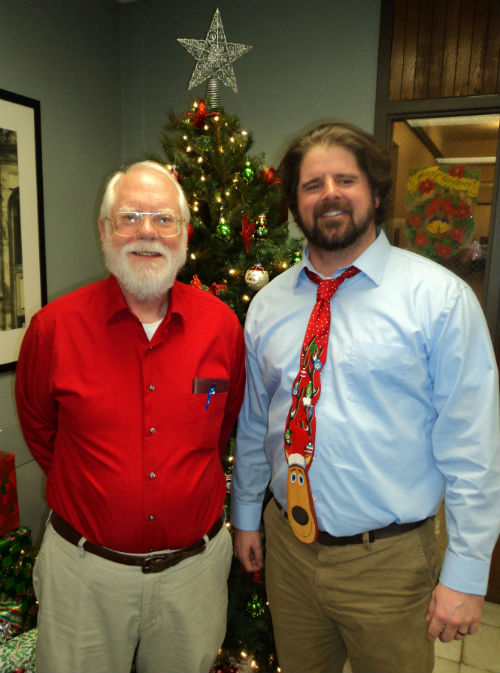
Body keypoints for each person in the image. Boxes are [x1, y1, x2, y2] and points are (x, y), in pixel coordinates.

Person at [231, 122, 500, 673]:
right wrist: (246, 517)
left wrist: (468, 572)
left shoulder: (439, 299)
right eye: (312, 185)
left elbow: (473, 446)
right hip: (291, 548)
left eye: (345, 179)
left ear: (375, 193)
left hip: (392, 562)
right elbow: (257, 423)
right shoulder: (268, 305)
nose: (328, 193)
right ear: (295, 203)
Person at [15, 161, 245, 673]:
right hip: (84, 577)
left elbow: (223, 425)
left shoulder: (221, 327)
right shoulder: (55, 329)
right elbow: (39, 427)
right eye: (130, 217)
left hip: (193, 578)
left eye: (164, 219)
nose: (147, 231)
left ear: (184, 233)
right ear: (105, 231)